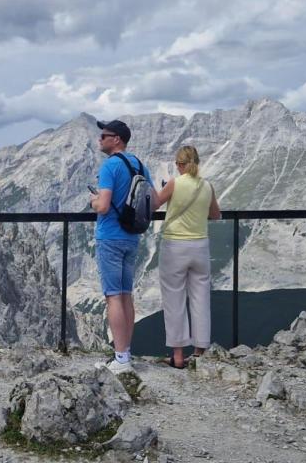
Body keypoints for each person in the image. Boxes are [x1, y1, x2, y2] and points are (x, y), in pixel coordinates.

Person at [90, 119, 153, 373]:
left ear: (116, 139)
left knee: (113, 296)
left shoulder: (110, 166)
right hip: (131, 237)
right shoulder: (139, 164)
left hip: (110, 237)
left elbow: (103, 206)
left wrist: (93, 200)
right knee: (126, 295)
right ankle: (126, 353)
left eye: (104, 135)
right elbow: (154, 201)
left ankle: (121, 359)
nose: (100, 139)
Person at [154, 145, 221, 369]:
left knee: (174, 298)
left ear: (181, 165)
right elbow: (215, 214)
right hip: (200, 245)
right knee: (200, 296)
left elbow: (154, 203)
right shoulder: (207, 185)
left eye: (176, 163)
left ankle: (178, 355)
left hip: (175, 245)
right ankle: (200, 350)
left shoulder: (175, 183)